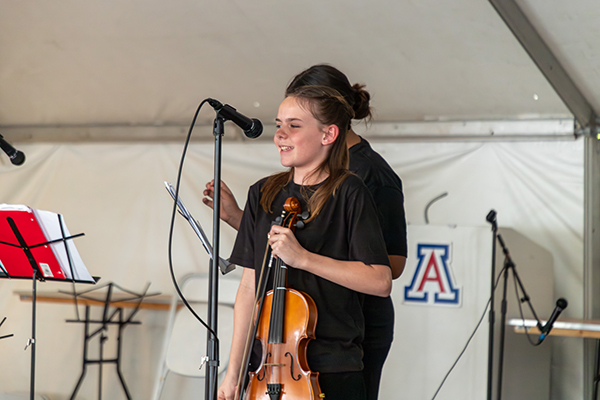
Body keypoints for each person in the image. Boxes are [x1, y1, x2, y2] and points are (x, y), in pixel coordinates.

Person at [204, 65, 408, 400]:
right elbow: (249, 287)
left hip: (332, 361)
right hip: (266, 363)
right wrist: (234, 370)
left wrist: (303, 259)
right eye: (278, 125)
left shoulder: (354, 189)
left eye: (294, 126)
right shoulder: (263, 193)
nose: (280, 135)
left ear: (329, 134)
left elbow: (383, 277)